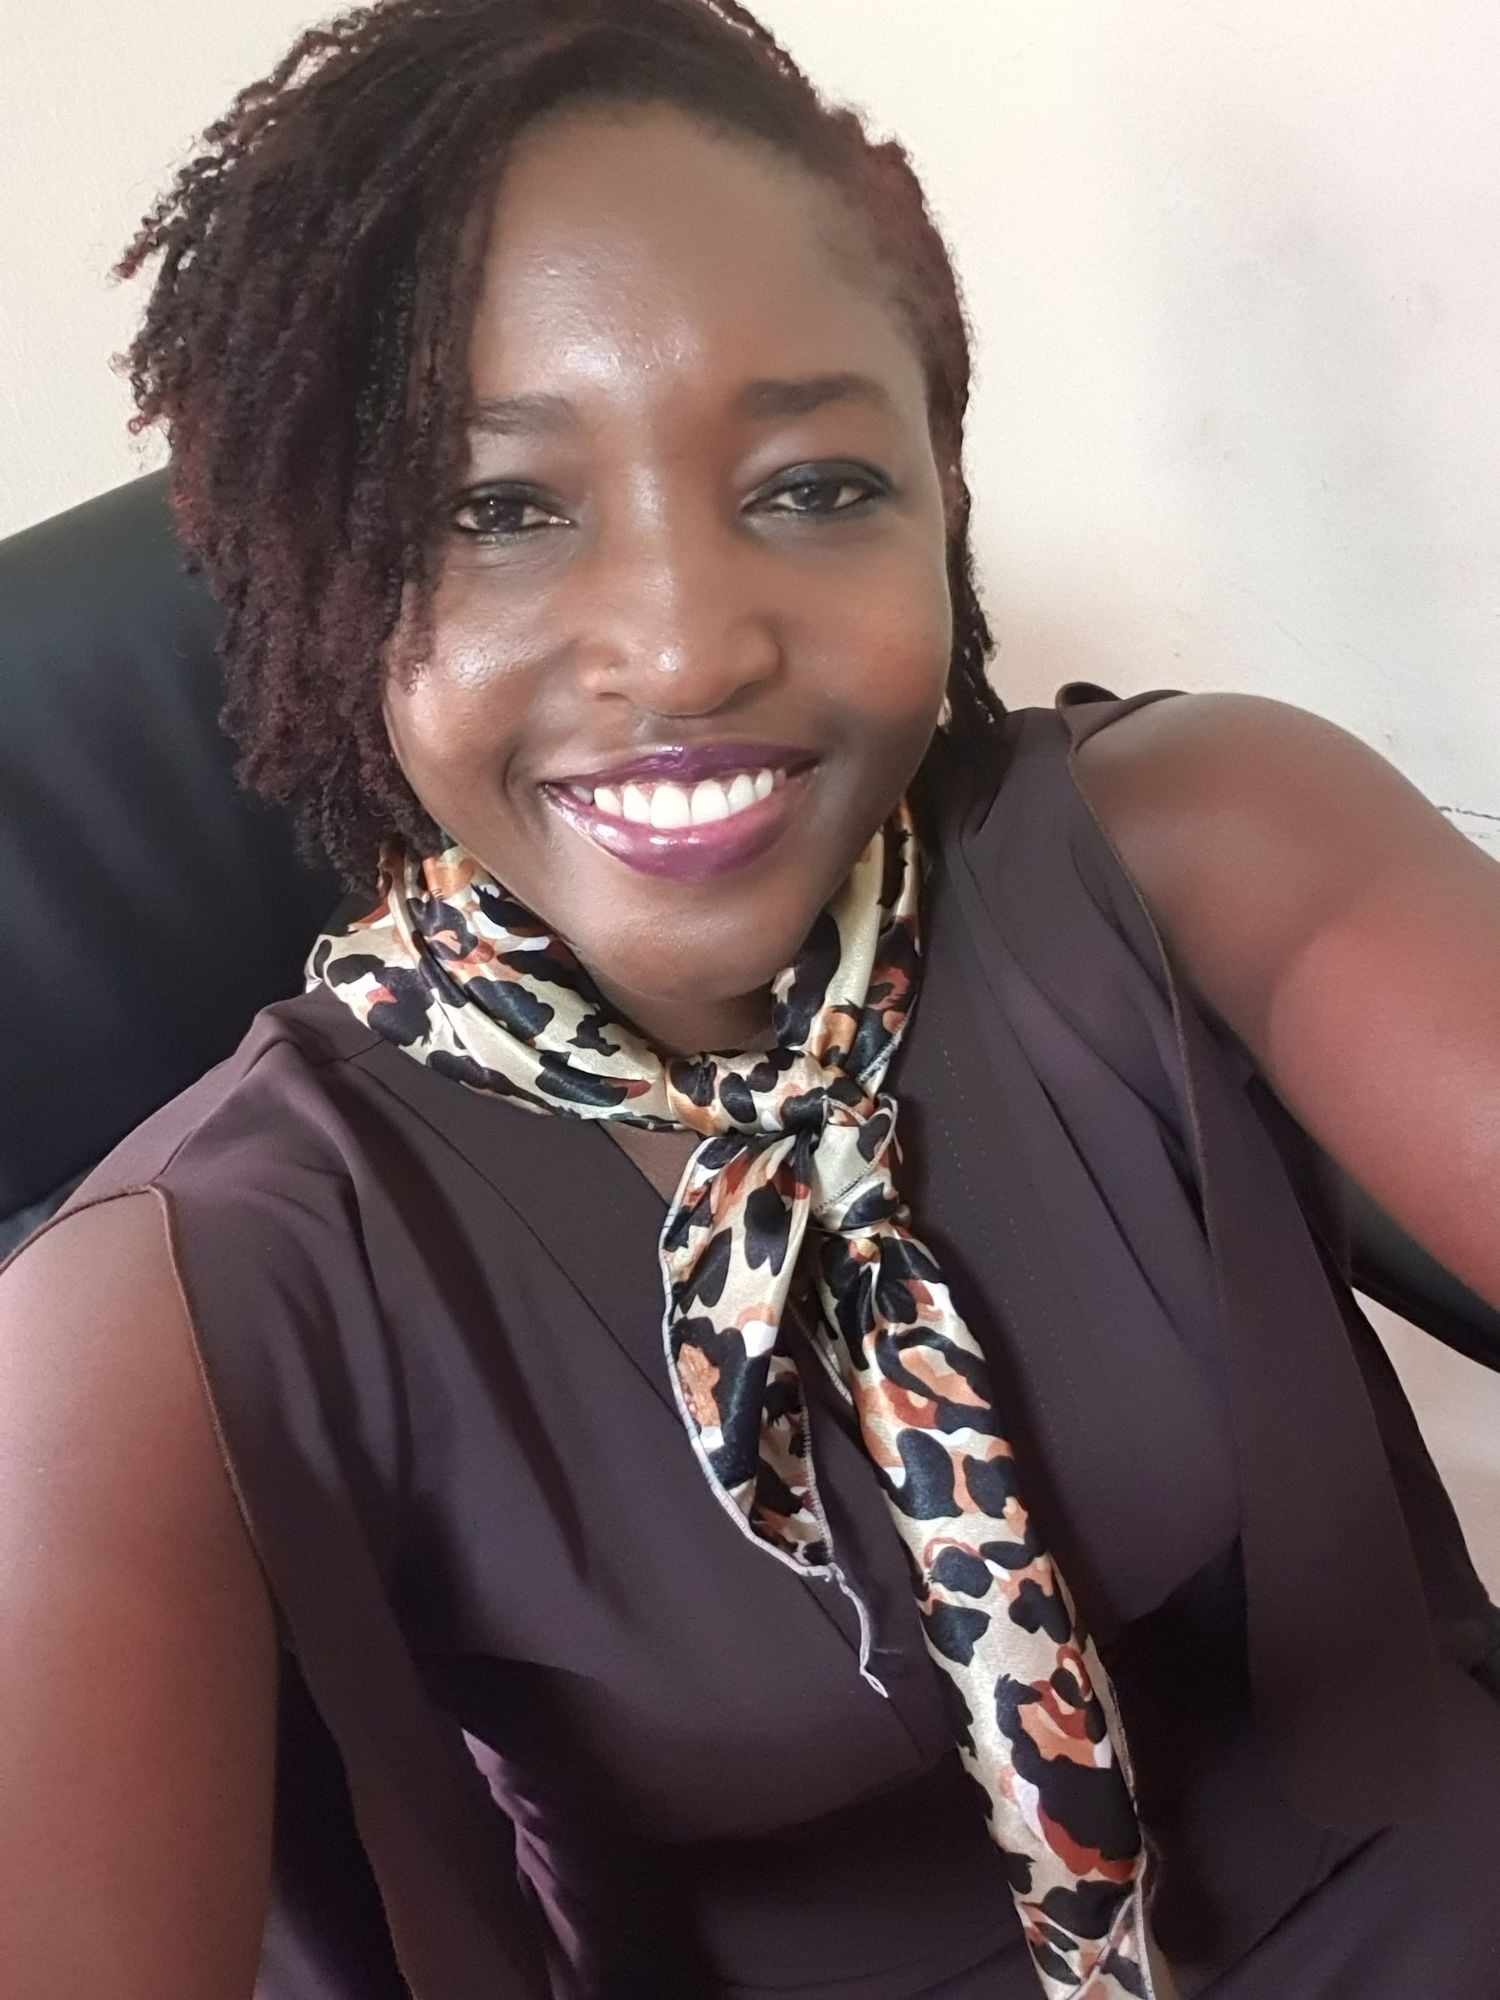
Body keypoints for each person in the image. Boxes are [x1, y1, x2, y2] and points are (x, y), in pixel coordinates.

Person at [2, 1, 1497, 1994]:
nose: (689, 644)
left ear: (940, 488)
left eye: (811, 485)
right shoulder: (167, 1304)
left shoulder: (1198, 842)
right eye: (499, 509)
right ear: (320, 580)